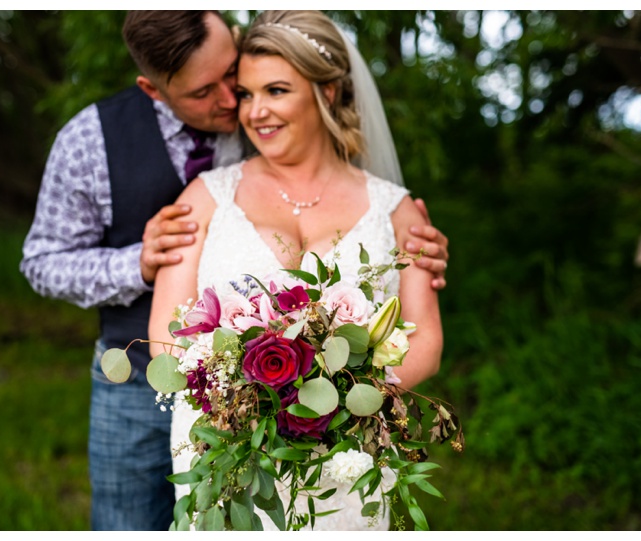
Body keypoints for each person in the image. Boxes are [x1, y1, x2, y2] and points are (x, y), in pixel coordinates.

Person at [21, 10, 448, 531]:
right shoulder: (120, 154)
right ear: (154, 90)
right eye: (219, 91)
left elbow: (421, 329)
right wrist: (138, 261)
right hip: (166, 394)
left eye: (244, 83)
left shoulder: (390, 207)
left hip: (345, 445)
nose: (238, 106)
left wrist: (338, 401)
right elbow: (59, 271)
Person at [148, 10, 443, 531]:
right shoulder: (204, 199)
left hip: (348, 459)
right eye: (246, 94)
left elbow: (426, 343)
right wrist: (251, 397)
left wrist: (343, 401)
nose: (255, 111)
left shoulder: (395, 212)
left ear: (327, 91)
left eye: (276, 90)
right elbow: (165, 337)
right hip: (228, 452)